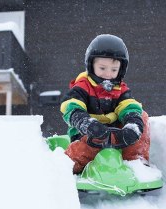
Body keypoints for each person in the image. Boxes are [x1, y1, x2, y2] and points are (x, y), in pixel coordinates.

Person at [60, 34, 150, 174]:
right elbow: (71, 107)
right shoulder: (83, 86)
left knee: (141, 116)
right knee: (84, 150)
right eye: (102, 68)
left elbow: (128, 106)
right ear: (91, 65)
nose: (108, 74)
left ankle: (136, 162)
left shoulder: (120, 89)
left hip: (116, 136)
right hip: (88, 134)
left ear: (121, 70)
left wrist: (132, 125)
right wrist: (85, 123)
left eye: (114, 70)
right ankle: (68, 167)